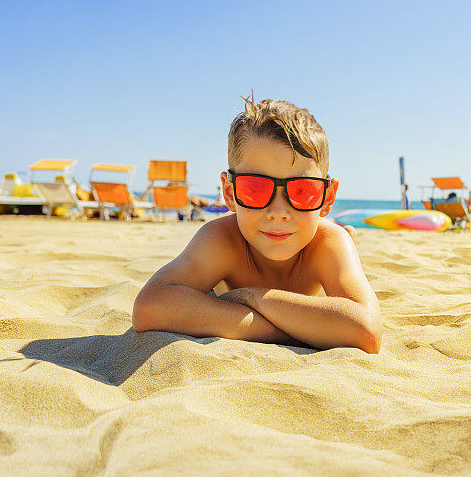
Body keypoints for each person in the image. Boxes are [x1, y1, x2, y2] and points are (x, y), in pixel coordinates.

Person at [132, 96, 382, 353]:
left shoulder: (327, 242)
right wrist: (285, 330)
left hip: (325, 236)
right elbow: (149, 308)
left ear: (327, 197)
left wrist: (250, 297)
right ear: (229, 193)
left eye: (303, 191)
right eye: (254, 189)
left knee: (342, 236)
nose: (278, 212)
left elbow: (367, 331)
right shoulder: (223, 240)